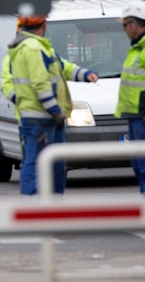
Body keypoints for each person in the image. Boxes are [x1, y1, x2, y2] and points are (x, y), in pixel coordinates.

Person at [7, 14, 99, 195]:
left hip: (41, 117)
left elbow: (62, 67)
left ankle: (49, 201)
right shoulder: (33, 48)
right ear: (43, 25)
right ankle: (34, 202)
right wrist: (55, 110)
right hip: (41, 117)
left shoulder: (35, 46)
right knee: (36, 161)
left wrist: (84, 74)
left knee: (52, 161)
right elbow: (40, 84)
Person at [115, 2, 145, 194]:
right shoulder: (138, 47)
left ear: (135, 24)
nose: (124, 29)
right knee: (139, 163)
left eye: (125, 24)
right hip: (136, 115)